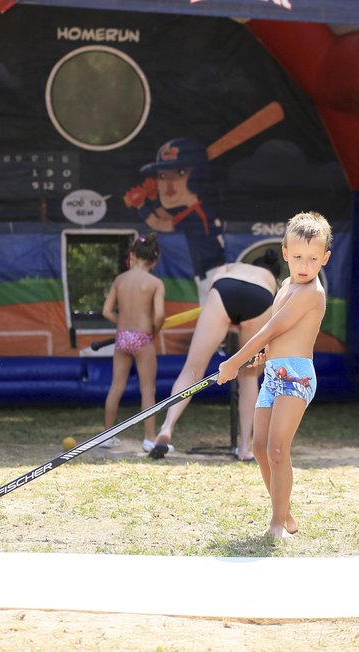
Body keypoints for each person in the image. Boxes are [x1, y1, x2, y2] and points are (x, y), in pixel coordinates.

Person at [217, 211, 332, 539]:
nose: (304, 265)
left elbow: (271, 328)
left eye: (312, 259)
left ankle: (277, 524)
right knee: (260, 446)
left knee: (279, 449)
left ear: (324, 258)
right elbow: (278, 334)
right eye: (297, 257)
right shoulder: (285, 285)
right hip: (273, 373)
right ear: (285, 253)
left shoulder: (312, 293)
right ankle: (286, 513)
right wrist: (265, 355)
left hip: (296, 376)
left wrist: (234, 363)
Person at [146, 249, 282, 461]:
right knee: (248, 377)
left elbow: (212, 289)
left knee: (192, 369)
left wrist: (223, 323)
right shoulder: (272, 282)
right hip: (261, 298)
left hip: (223, 289)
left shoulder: (232, 266)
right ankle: (245, 447)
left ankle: (167, 427)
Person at [127, 138, 226, 301]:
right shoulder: (196, 209)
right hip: (210, 272)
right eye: (163, 176)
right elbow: (171, 220)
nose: (168, 185)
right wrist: (153, 200)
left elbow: (160, 224)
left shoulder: (196, 212)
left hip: (212, 273)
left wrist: (141, 205)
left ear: (197, 178)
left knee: (211, 317)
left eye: (180, 173)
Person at [101, 233, 165, 448]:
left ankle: (107, 435)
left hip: (122, 337)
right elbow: (159, 316)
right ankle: (148, 438)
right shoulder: (155, 283)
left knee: (116, 386)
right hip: (143, 338)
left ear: (132, 255)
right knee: (148, 389)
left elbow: (106, 311)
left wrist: (122, 323)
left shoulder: (120, 280)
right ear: (154, 259)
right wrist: (155, 330)